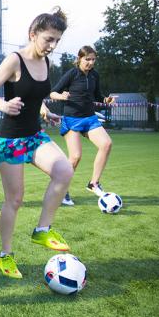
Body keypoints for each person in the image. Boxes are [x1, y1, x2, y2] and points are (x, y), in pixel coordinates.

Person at [0, 7, 74, 279]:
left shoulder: (46, 62)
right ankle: (5, 256)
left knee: (64, 171)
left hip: (35, 135)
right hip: (11, 140)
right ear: (33, 34)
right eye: (48, 39)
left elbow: (35, 96)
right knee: (15, 200)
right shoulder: (14, 60)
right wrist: (2, 104)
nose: (52, 46)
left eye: (56, 40)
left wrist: (46, 112)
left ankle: (42, 229)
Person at [50, 45, 116, 206]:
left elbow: (98, 95)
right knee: (75, 157)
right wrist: (62, 96)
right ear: (80, 58)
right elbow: (53, 92)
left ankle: (93, 183)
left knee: (106, 144)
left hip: (90, 118)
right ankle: (62, 190)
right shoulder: (72, 74)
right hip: (72, 119)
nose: (91, 62)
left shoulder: (94, 75)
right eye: (87, 59)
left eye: (93, 59)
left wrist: (106, 100)